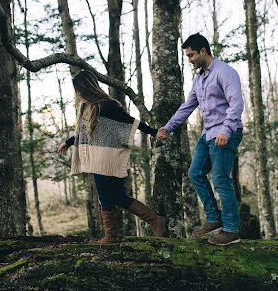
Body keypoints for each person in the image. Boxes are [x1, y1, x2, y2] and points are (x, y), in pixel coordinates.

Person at [58, 70, 168, 244]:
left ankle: (111, 236)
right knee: (119, 196)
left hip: (107, 159)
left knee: (105, 196)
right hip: (100, 157)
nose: (77, 93)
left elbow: (131, 121)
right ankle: (155, 220)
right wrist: (69, 142)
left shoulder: (107, 105)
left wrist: (153, 132)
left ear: (84, 88)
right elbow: (85, 133)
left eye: (78, 89)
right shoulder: (87, 107)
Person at [157, 33, 244, 246]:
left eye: (191, 55)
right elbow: (188, 106)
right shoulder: (199, 79)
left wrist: (226, 129)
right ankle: (213, 219)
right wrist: (168, 127)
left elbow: (236, 103)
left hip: (225, 133)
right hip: (208, 135)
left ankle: (232, 230)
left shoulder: (225, 72)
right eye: (187, 56)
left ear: (203, 51)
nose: (189, 60)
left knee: (221, 179)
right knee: (195, 173)